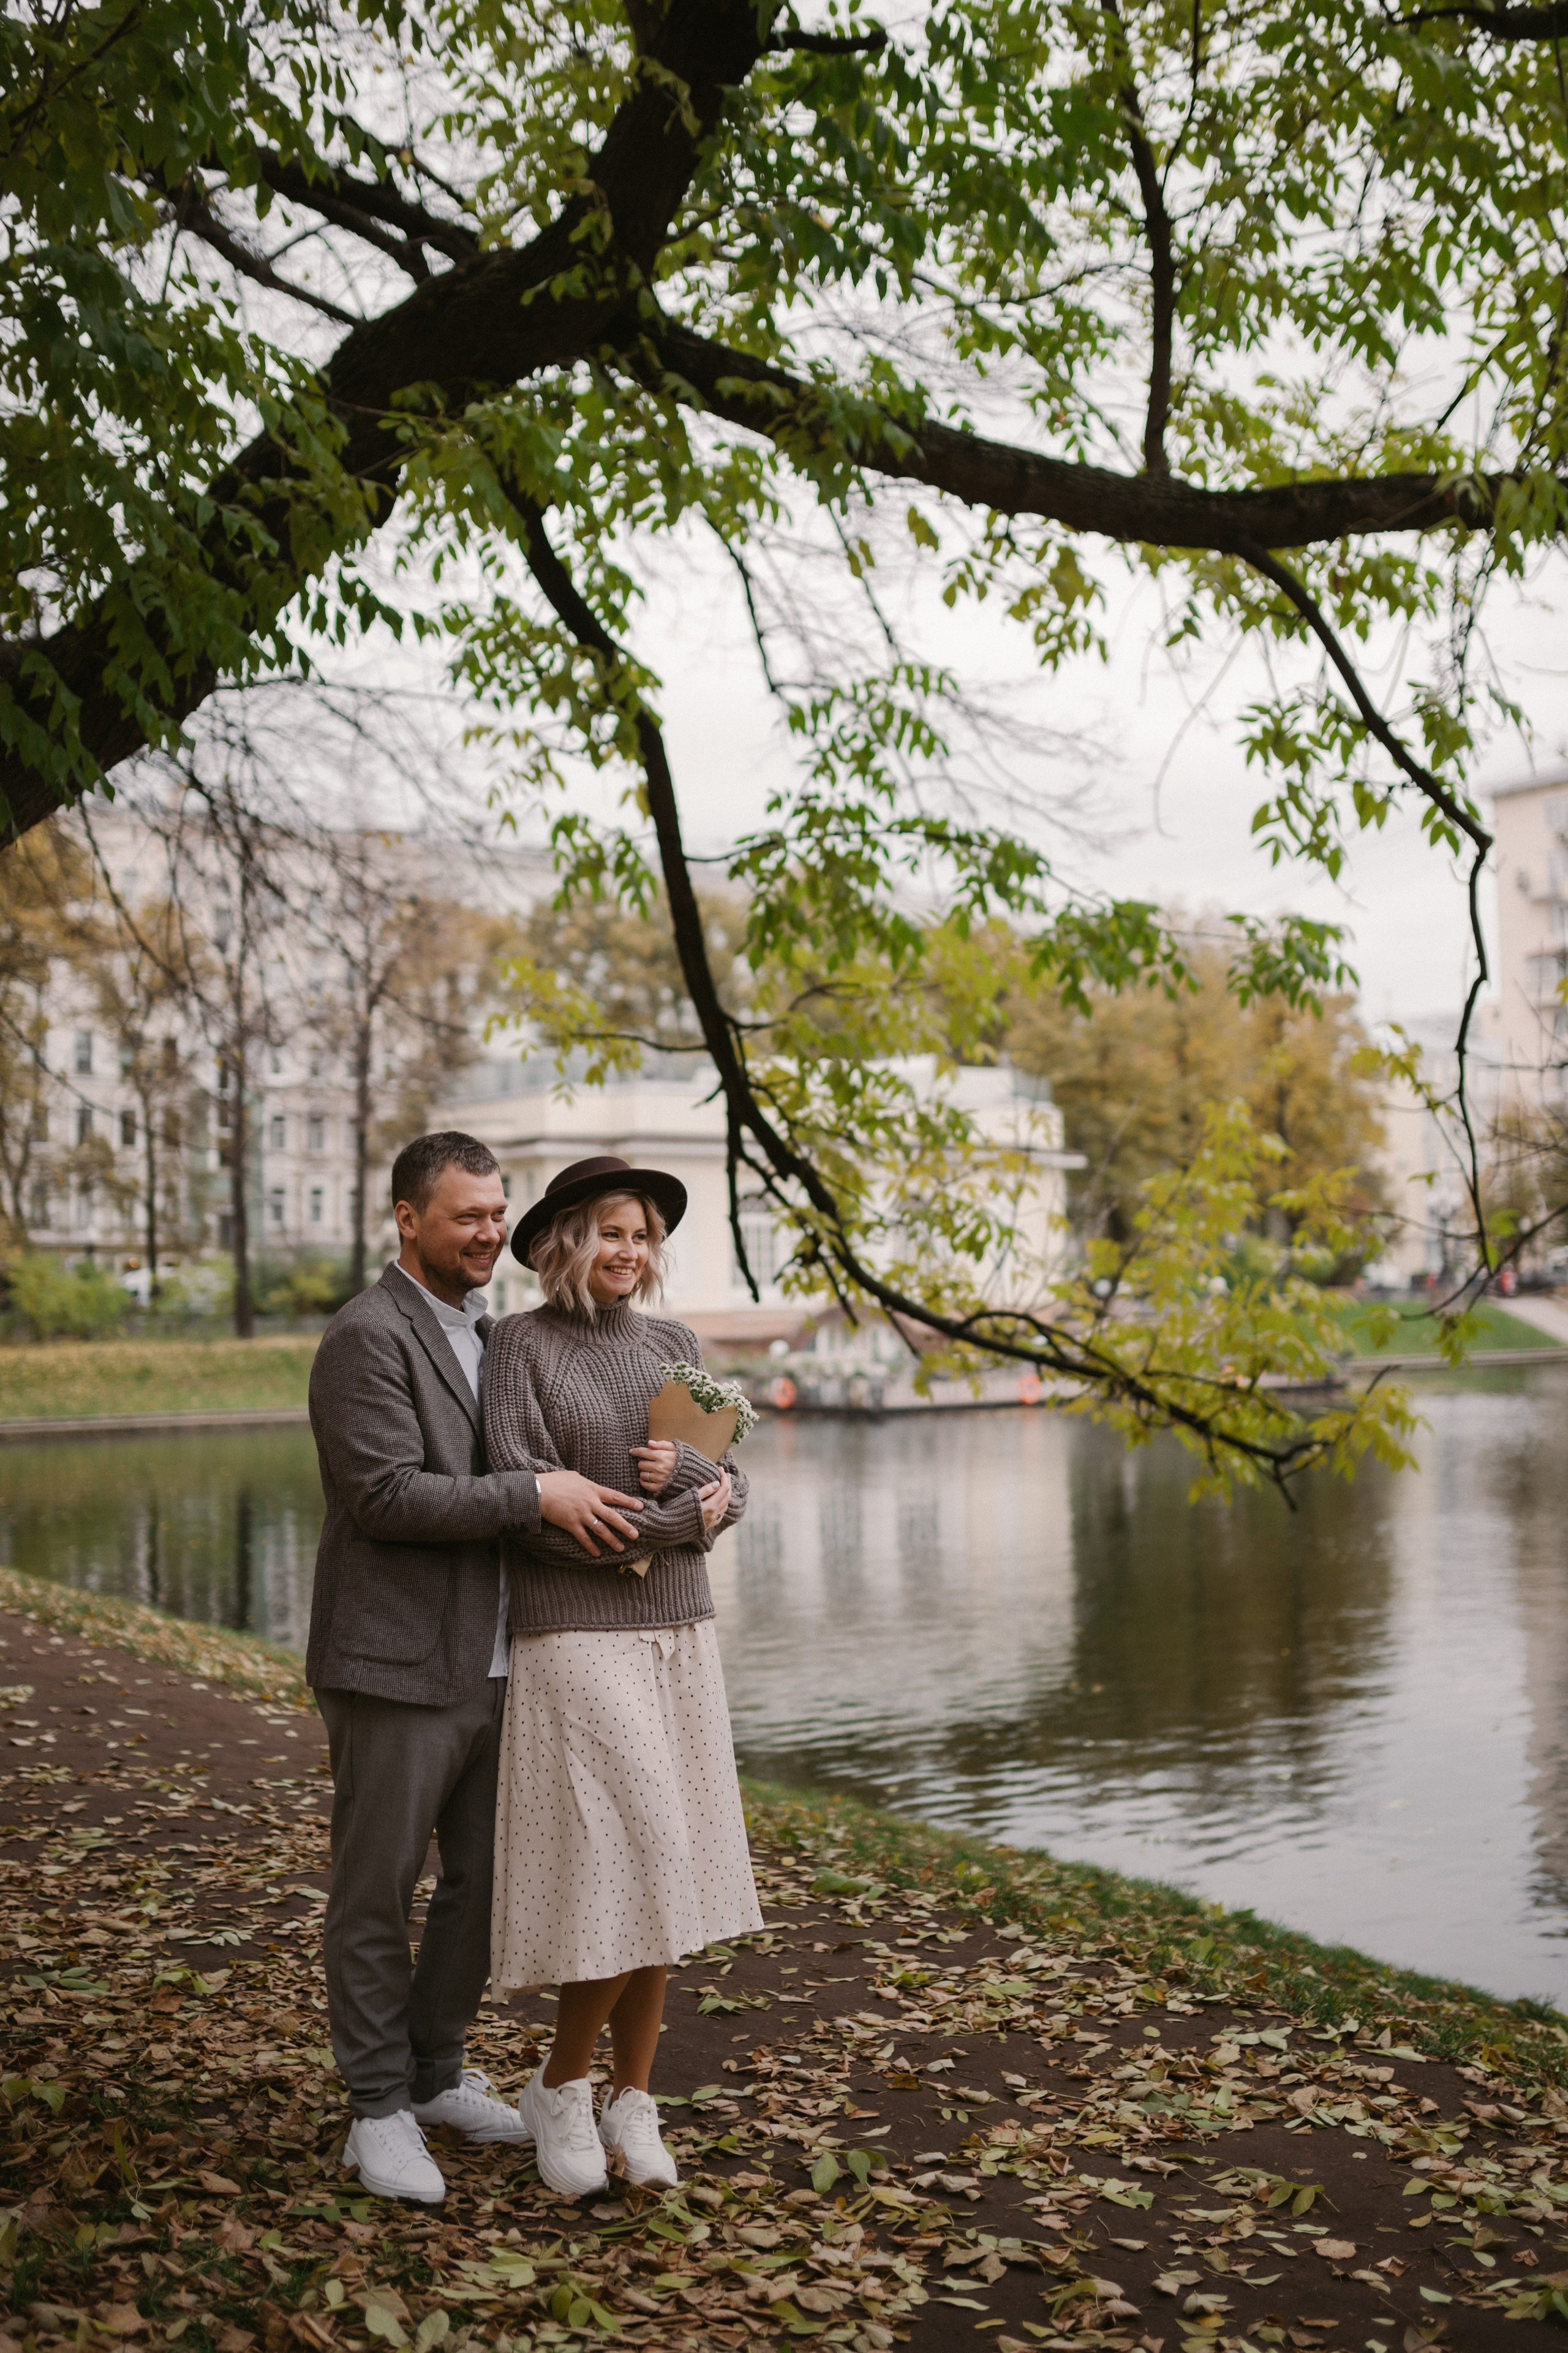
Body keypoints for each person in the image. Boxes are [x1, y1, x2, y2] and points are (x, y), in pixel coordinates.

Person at [305, 1131, 648, 2206]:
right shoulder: (365, 1337)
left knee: (485, 1889)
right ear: (407, 1219)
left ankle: (434, 2073)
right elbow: (387, 1496)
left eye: (498, 1213)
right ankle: (375, 2111)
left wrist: (692, 1480)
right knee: (378, 1889)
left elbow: (563, 1463)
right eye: (467, 1216)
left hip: (505, 1661)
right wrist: (534, 1493)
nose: (490, 1232)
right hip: (396, 1660)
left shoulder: (495, 1334)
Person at [483, 1154, 763, 2197]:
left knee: (671, 1870)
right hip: (577, 1637)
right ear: (566, 1238)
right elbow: (531, 1510)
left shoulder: (676, 1345)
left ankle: (632, 2097)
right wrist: (672, 1523)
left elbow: (733, 1486)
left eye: (643, 1234)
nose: (630, 1251)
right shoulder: (518, 1346)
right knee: (635, 1851)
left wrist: (690, 1484)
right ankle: (560, 2085)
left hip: (679, 1633)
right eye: (611, 1231)